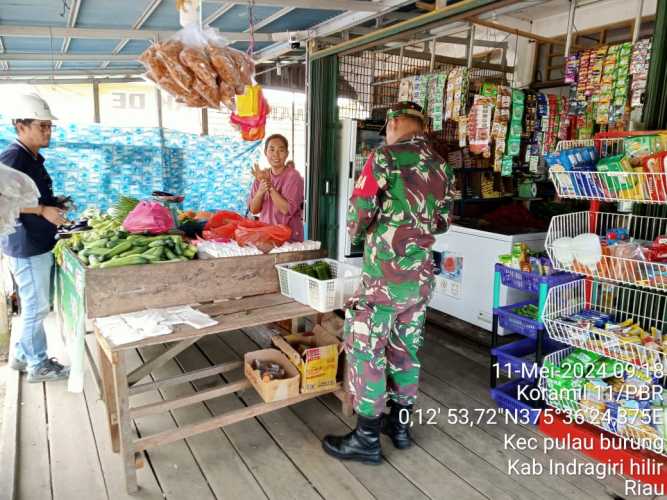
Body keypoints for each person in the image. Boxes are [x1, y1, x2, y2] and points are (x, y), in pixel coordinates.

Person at [322, 101, 454, 463]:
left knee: (366, 351)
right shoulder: (442, 166)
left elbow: (358, 216)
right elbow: (442, 223)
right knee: (405, 351)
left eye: (388, 127)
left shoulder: (385, 157)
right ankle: (399, 427)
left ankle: (366, 439)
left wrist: (369, 228)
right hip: (420, 279)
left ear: (394, 123)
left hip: (384, 280)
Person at [1, 94, 70, 383]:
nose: (47, 132)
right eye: (41, 126)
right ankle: (38, 364)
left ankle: (20, 354)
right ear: (20, 126)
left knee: (35, 304)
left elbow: (27, 194)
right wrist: (42, 209)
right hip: (26, 246)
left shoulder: (30, 157)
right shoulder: (13, 157)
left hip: (37, 243)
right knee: (36, 307)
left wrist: (54, 202)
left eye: (49, 126)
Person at [248, 134, 304, 242]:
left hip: (289, 239)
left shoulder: (293, 177)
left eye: (281, 150)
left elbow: (286, 209)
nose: (276, 154)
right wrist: (260, 192)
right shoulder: (261, 176)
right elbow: (254, 209)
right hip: (267, 236)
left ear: (287, 154)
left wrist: (270, 187)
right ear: (265, 152)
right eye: (272, 150)